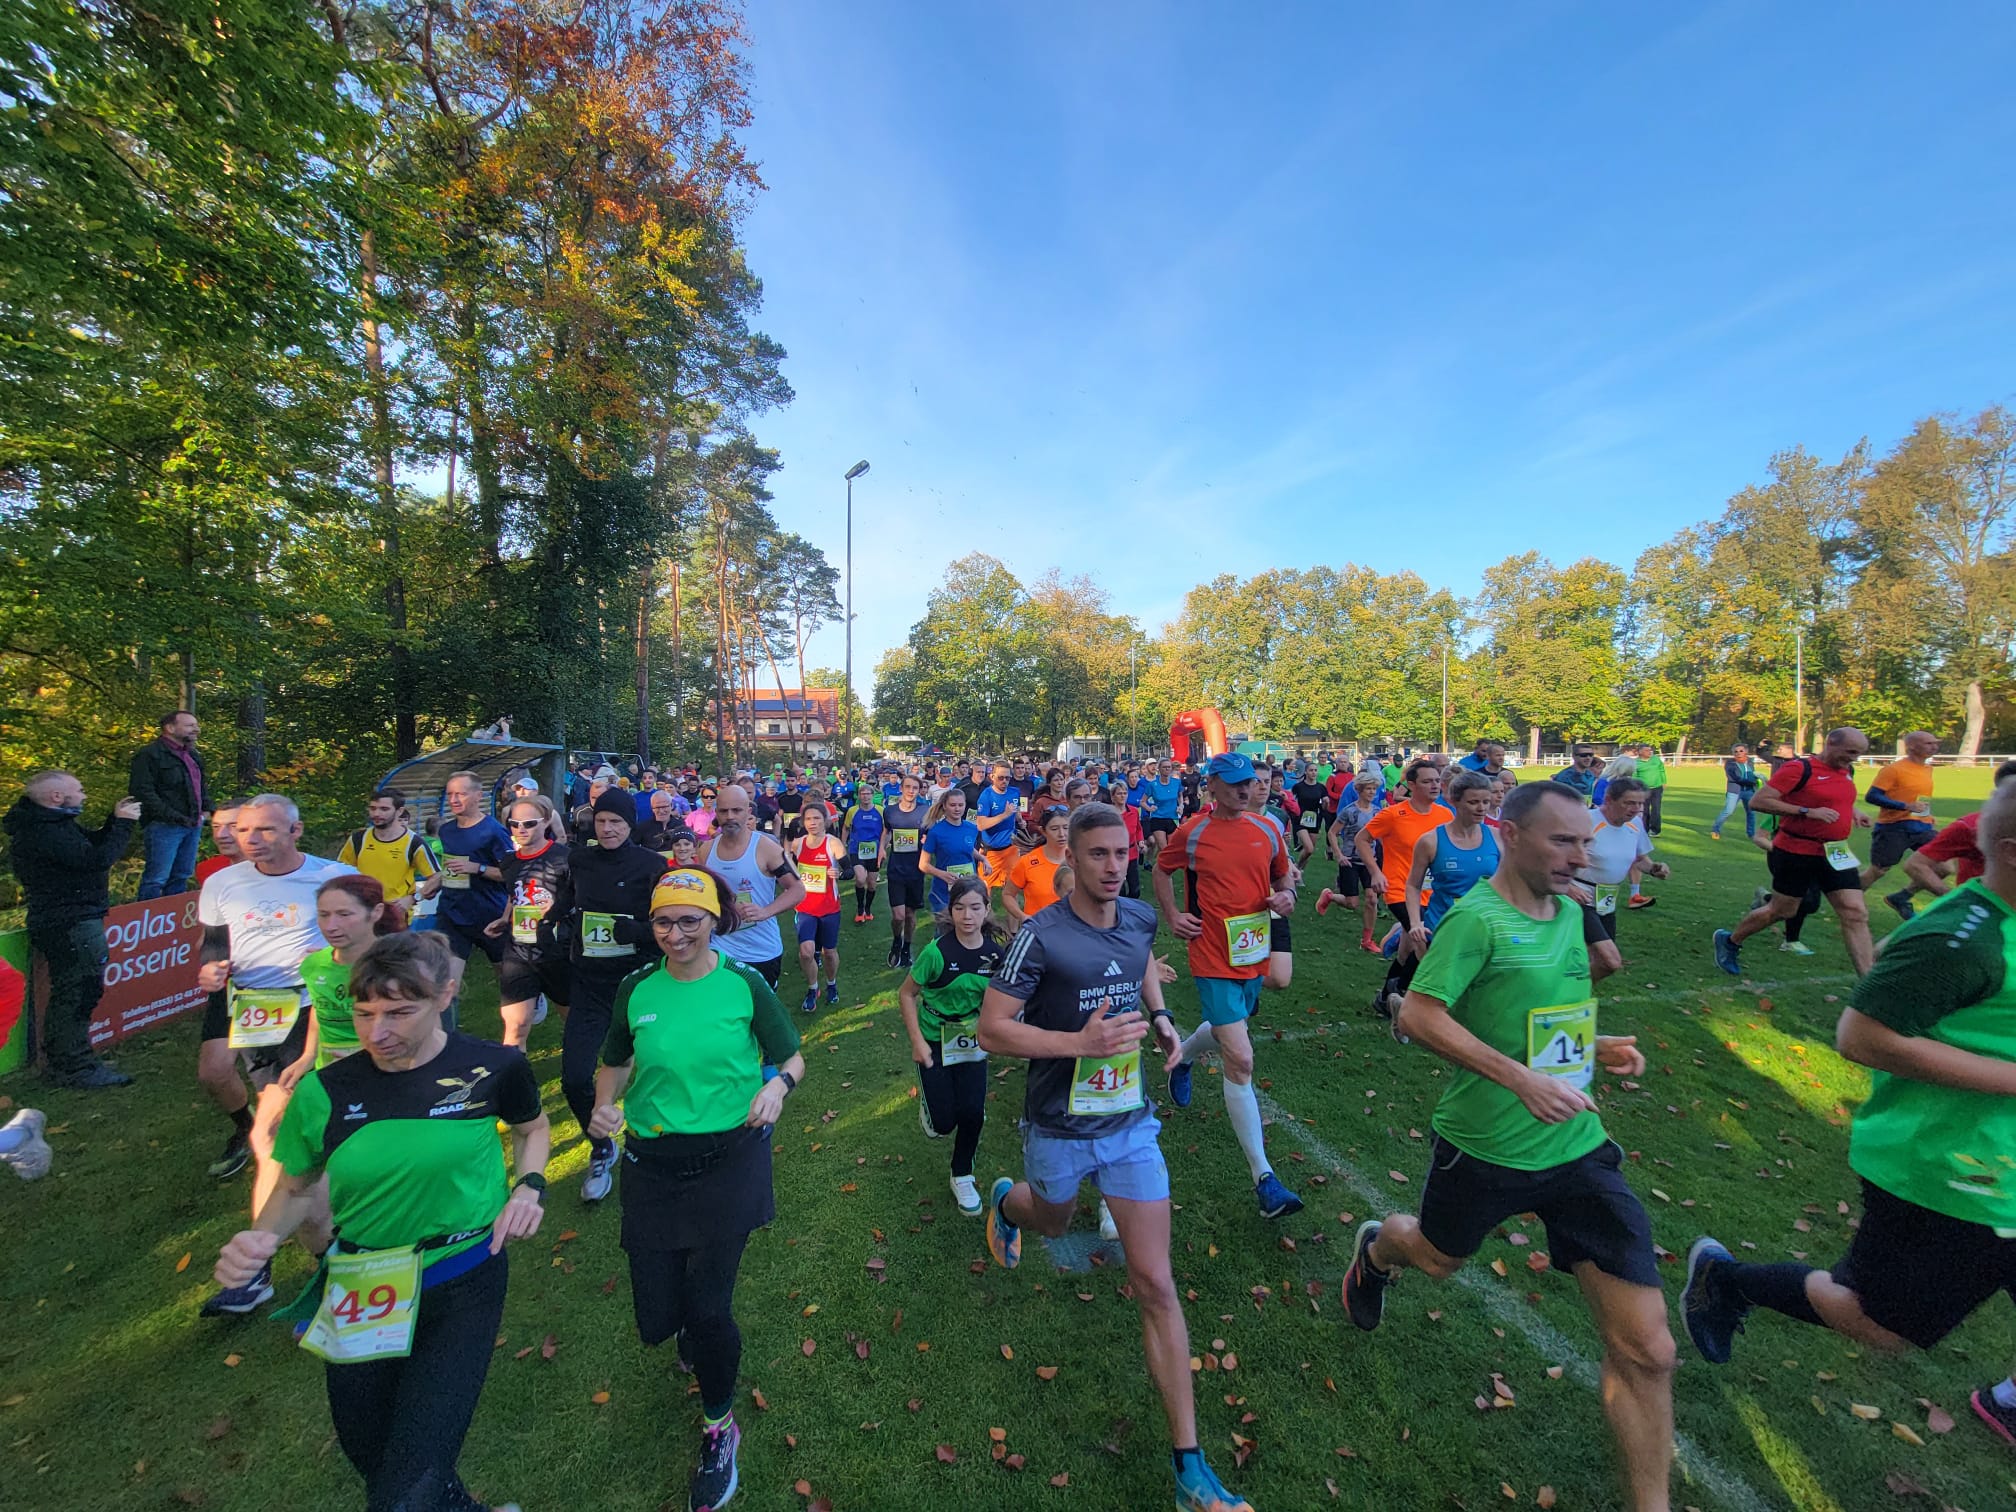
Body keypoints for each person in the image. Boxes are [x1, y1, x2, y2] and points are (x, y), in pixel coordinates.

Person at [1343, 781, 1672, 1512]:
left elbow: (1552, 1008)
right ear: (1511, 836)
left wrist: (1594, 1044)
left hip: (1578, 1147)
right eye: (1563, 841)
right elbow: (1419, 1017)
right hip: (1486, 1145)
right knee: (1437, 1258)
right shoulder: (1476, 919)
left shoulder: (1572, 912)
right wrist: (1518, 1078)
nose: (1579, 856)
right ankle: (1378, 1249)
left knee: (1649, 1350)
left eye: (1584, 842)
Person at [1683, 775, 2016, 1452]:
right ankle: (1728, 1280)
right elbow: (1862, 1037)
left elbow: (1894, 955)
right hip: (1954, 1169)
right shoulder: (1966, 937)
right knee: (1881, 1326)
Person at [213, 931, 549, 1512]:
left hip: (461, 1274)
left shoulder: (494, 1067)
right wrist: (258, 1240)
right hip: (362, 1284)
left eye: (399, 1012)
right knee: (372, 1452)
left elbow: (532, 1128)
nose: (377, 1033)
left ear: (445, 995)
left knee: (407, 1482)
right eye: (364, 1013)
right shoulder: (326, 1091)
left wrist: (529, 1186)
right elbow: (296, 1186)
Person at [977, 803, 1248, 1512]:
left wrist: (1160, 1017)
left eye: (1121, 853)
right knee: (1054, 1220)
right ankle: (1009, 1202)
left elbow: (1138, 967)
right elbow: (992, 1030)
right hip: (1058, 1125)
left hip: (1128, 1122)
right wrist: (1079, 1044)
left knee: (1155, 1281)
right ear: (1071, 859)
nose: (1112, 866)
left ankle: (1190, 1467)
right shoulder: (1039, 936)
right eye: (1098, 854)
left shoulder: (1139, 918)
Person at [592, 867, 805, 1512]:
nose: (676, 933)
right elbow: (614, 1062)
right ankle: (687, 1330)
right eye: (663, 921)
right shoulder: (636, 987)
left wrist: (777, 1087)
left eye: (690, 920)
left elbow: (792, 1056)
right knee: (659, 1319)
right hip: (652, 1162)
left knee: (710, 1310)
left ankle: (719, 1428)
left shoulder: (744, 984)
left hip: (729, 1159)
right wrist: (604, 1104)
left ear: (715, 920)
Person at [197, 794, 358, 1313]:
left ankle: (261, 1265)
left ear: (295, 830)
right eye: (244, 830)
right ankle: (332, 1253)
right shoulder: (222, 883)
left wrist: (338, 963)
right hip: (252, 1010)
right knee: (287, 1141)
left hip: (313, 1009)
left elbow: (373, 935)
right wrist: (211, 969)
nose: (250, 839)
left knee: (274, 1135)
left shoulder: (331, 876)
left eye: (265, 829)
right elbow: (215, 944)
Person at [1152, 752, 1302, 1221]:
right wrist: (1173, 915)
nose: (1245, 789)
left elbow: (1282, 873)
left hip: (1252, 951)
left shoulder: (1267, 829)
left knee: (1225, 1032)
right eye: (1235, 782)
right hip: (1211, 955)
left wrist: (1287, 895)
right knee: (1241, 1057)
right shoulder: (1192, 832)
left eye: (1250, 782)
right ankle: (1265, 1179)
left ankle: (1183, 1058)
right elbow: (1161, 869)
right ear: (1212, 785)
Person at [548, 787, 670, 1204]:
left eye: (616, 822)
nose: (608, 829)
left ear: (629, 824)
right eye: (601, 821)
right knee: (574, 1078)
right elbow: (569, 899)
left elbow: (668, 923)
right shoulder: (580, 860)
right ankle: (601, 1146)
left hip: (639, 985)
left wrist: (636, 932)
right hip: (590, 985)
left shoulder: (652, 865)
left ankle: (665, 1142)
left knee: (661, 1070)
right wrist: (549, 920)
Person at [3, 771, 140, 1088]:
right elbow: (96, 859)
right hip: (70, 923)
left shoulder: (53, 825)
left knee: (77, 991)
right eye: (78, 790)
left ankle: (70, 1060)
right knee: (77, 993)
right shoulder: (44, 832)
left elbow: (90, 847)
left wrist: (113, 821)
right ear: (56, 797)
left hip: (71, 919)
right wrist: (123, 825)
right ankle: (73, 1066)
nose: (83, 795)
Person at [1714, 727, 1877, 977]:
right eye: (1851, 752)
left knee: (1855, 911)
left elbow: (1837, 797)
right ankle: (1730, 940)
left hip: (1836, 850)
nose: (1855, 758)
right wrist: (1807, 812)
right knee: (1783, 910)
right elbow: (1759, 801)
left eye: (1859, 753)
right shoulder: (1799, 769)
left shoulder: (1845, 771)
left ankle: (1869, 981)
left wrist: (1855, 812)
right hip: (1797, 850)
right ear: (1831, 744)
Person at [902, 875, 1008, 1216]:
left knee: (973, 1113)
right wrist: (917, 1041)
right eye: (959, 908)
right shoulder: (937, 952)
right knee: (944, 1122)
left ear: (987, 909)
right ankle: (932, 1111)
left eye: (975, 907)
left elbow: (1003, 999)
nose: (967, 916)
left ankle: (962, 1175)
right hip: (934, 1040)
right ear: (950, 911)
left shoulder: (995, 955)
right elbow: (906, 994)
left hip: (972, 1042)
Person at [1392, 770, 1503, 1005]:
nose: (1481, 808)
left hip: (1484, 929)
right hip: (1442, 927)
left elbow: (1510, 883)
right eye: (1473, 802)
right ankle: (1401, 1001)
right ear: (1455, 801)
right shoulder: (1431, 841)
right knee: (1437, 996)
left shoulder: (1497, 838)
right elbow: (1413, 885)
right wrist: (1415, 924)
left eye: (1486, 802)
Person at [1356, 759, 1454, 1017]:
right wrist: (1376, 872)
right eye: (1427, 781)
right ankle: (1403, 996)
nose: (1435, 785)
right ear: (1411, 785)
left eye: (1437, 780)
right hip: (1399, 890)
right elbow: (1362, 839)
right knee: (1427, 942)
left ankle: (1387, 996)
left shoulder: (1445, 815)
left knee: (1410, 948)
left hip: (1434, 893)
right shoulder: (1394, 814)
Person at [483, 796, 572, 1049]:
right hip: (519, 951)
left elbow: (581, 898)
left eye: (529, 823)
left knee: (573, 1021)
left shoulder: (564, 858)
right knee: (516, 1026)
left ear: (546, 822)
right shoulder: (509, 862)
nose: (521, 829)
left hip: (558, 952)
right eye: (514, 824)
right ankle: (513, 1072)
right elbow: (515, 893)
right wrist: (504, 918)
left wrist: (556, 910)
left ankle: (578, 1066)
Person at [703, 783, 805, 991]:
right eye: (724, 811)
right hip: (719, 948)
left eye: (736, 810)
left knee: (759, 1009)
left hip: (760, 950)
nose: (730, 817)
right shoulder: (706, 850)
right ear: (716, 813)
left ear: (748, 812)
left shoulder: (768, 848)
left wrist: (765, 911)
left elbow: (798, 889)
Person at [435, 772, 513, 1029]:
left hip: (490, 916)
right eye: (450, 794)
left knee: (508, 979)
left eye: (461, 793)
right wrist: (437, 881)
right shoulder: (446, 830)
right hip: (453, 914)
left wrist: (477, 868)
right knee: (446, 984)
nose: (454, 800)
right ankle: (447, 1041)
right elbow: (452, 867)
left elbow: (511, 874)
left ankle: (521, 1017)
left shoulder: (494, 832)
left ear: (478, 796)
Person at [1571, 777, 1669, 978]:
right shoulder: (1586, 821)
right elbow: (1554, 858)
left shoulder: (1635, 825)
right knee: (1609, 960)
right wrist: (1568, 888)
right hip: (1580, 898)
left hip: (1607, 900)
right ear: (1609, 800)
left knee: (1600, 961)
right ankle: (1571, 992)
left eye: (1640, 803)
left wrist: (1654, 869)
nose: (1636, 809)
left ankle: (1574, 993)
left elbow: (1639, 859)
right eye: (1629, 803)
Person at [1859, 730, 1940, 919]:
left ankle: (1901, 897)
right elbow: (1872, 796)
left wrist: (1926, 814)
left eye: (1935, 743)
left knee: (1943, 867)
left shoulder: (1928, 769)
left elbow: (1920, 797)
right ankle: (1848, 900)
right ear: (1911, 747)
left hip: (1922, 827)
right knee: (1878, 870)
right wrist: (1905, 806)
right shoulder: (1893, 770)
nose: (1934, 747)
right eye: (1928, 743)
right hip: (1893, 827)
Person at [129, 709, 209, 898]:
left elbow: (200, 787)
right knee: (156, 879)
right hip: (163, 826)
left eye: (196, 725)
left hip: (192, 824)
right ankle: (148, 915)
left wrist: (207, 810)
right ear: (170, 728)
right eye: (190, 725)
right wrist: (172, 816)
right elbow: (142, 792)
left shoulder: (193, 755)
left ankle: (174, 916)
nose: (196, 729)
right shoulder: (149, 755)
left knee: (181, 876)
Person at [336, 788, 442, 909]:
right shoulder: (358, 839)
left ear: (399, 811)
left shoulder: (413, 842)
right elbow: (339, 873)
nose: (376, 814)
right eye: (373, 808)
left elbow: (437, 876)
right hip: (362, 911)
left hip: (395, 912)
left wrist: (413, 898)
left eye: (384, 809)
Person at [1317, 770, 1383, 955]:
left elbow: (1382, 836)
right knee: (1352, 903)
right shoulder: (1349, 811)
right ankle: (1329, 896)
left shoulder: (1378, 812)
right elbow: (1332, 832)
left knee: (1372, 899)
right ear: (1359, 790)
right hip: (1350, 860)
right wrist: (1339, 855)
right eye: (1368, 789)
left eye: (1374, 789)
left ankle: (1367, 940)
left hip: (1369, 861)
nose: (1372, 792)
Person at [790, 801, 844, 1012]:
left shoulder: (833, 843)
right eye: (808, 819)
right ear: (803, 822)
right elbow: (788, 870)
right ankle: (813, 989)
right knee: (806, 952)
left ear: (825, 821)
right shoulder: (798, 844)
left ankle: (831, 983)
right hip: (805, 907)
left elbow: (848, 870)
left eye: (816, 818)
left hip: (829, 907)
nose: (812, 823)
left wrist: (839, 873)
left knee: (829, 952)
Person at [881, 773, 931, 969]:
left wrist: (927, 841)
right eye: (908, 787)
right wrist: (881, 849)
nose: (911, 791)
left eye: (915, 788)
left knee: (910, 915)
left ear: (919, 791)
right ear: (901, 789)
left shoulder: (925, 811)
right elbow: (887, 832)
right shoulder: (890, 811)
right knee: (898, 916)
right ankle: (896, 941)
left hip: (916, 870)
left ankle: (906, 948)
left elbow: (931, 834)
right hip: (896, 869)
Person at [1005, 805, 1071, 926]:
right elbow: (1008, 894)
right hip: (1038, 929)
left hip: (1072, 930)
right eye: (1054, 829)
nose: (1062, 834)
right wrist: (1023, 917)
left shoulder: (1081, 860)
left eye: (1066, 828)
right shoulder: (1028, 862)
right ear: (1043, 831)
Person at [920, 786, 981, 915]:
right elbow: (923, 864)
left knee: (967, 924)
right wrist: (941, 874)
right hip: (944, 892)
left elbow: (967, 848)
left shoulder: (971, 828)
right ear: (945, 806)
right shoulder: (936, 832)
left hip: (968, 889)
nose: (957, 809)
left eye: (960, 805)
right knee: (946, 925)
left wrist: (983, 859)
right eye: (953, 805)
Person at [972, 761, 1021, 895]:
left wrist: (1020, 820)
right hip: (991, 851)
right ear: (992, 777)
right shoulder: (986, 796)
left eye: (1007, 778)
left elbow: (1016, 809)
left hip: (1011, 849)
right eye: (1000, 777)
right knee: (985, 892)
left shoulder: (1014, 792)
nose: (1004, 781)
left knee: (1012, 890)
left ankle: (1011, 909)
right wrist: (1004, 815)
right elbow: (981, 824)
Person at [841, 789, 883, 924]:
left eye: (868, 794)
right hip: (856, 849)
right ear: (859, 796)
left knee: (871, 884)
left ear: (872, 795)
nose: (865, 796)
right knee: (860, 878)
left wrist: (884, 846)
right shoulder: (852, 811)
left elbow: (886, 830)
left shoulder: (880, 810)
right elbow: (846, 828)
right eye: (863, 794)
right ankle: (860, 909)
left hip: (874, 851)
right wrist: (842, 844)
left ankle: (868, 909)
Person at [1710, 745, 1759, 840]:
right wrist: (1751, 782)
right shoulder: (1730, 763)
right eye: (1736, 751)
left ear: (1746, 752)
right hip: (1734, 791)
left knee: (1751, 813)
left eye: (1741, 751)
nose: (1738, 753)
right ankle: (1715, 830)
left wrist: (1757, 779)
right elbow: (1734, 778)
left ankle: (1751, 834)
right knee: (1728, 811)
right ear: (1733, 753)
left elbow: (1751, 774)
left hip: (1749, 791)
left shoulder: (1750, 762)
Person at [1140, 758, 1184, 863]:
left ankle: (1158, 865)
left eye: (1169, 767)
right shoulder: (1153, 785)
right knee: (1164, 849)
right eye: (1164, 767)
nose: (1167, 769)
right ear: (1159, 769)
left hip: (1172, 818)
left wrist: (1181, 806)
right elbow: (1142, 802)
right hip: (1158, 818)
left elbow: (1180, 796)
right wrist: (1149, 808)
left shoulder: (1176, 782)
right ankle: (1162, 868)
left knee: (1171, 848)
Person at [1289, 767, 1328, 863]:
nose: (1313, 772)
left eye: (1315, 770)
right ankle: (1297, 867)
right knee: (1309, 848)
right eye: (1311, 770)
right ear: (1306, 772)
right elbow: (1291, 801)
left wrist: (1326, 802)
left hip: (1314, 819)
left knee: (1309, 851)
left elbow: (1324, 808)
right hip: (1300, 819)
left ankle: (1300, 868)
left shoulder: (1321, 787)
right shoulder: (1298, 787)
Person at [1634, 744, 1667, 835]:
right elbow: (1634, 776)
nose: (1649, 752)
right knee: (1645, 810)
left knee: (1656, 809)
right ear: (1640, 752)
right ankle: (1645, 829)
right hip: (1643, 789)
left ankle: (1655, 830)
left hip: (1657, 788)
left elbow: (1662, 770)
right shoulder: (1635, 763)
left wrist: (1664, 782)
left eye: (1650, 750)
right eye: (1646, 750)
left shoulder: (1656, 759)